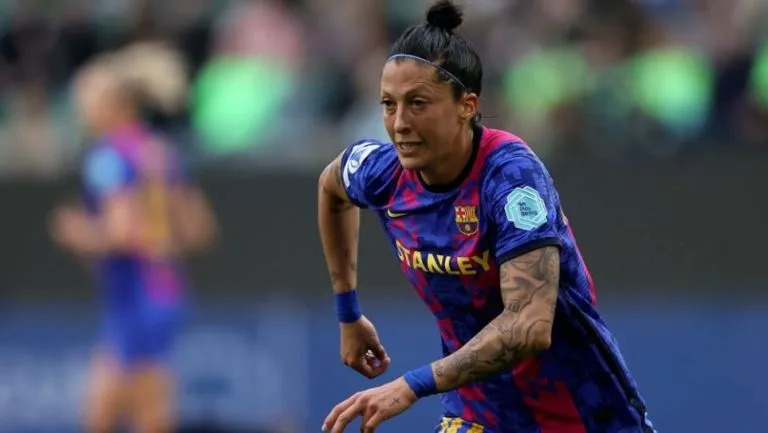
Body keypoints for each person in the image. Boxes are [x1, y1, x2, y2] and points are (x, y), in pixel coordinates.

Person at [317, 2, 656, 432]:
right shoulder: (383, 172)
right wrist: (348, 312)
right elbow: (332, 188)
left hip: (583, 416)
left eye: (417, 103)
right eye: (388, 104)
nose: (399, 123)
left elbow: (529, 326)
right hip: (480, 417)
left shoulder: (511, 178)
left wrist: (412, 384)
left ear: (466, 105)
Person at [50, 42, 218, 433]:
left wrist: (76, 232)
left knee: (110, 416)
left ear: (112, 104)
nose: (80, 110)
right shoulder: (158, 151)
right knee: (146, 415)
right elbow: (199, 231)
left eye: (85, 99)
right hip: (164, 294)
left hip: (135, 301)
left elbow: (124, 233)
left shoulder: (107, 157)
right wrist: (159, 245)